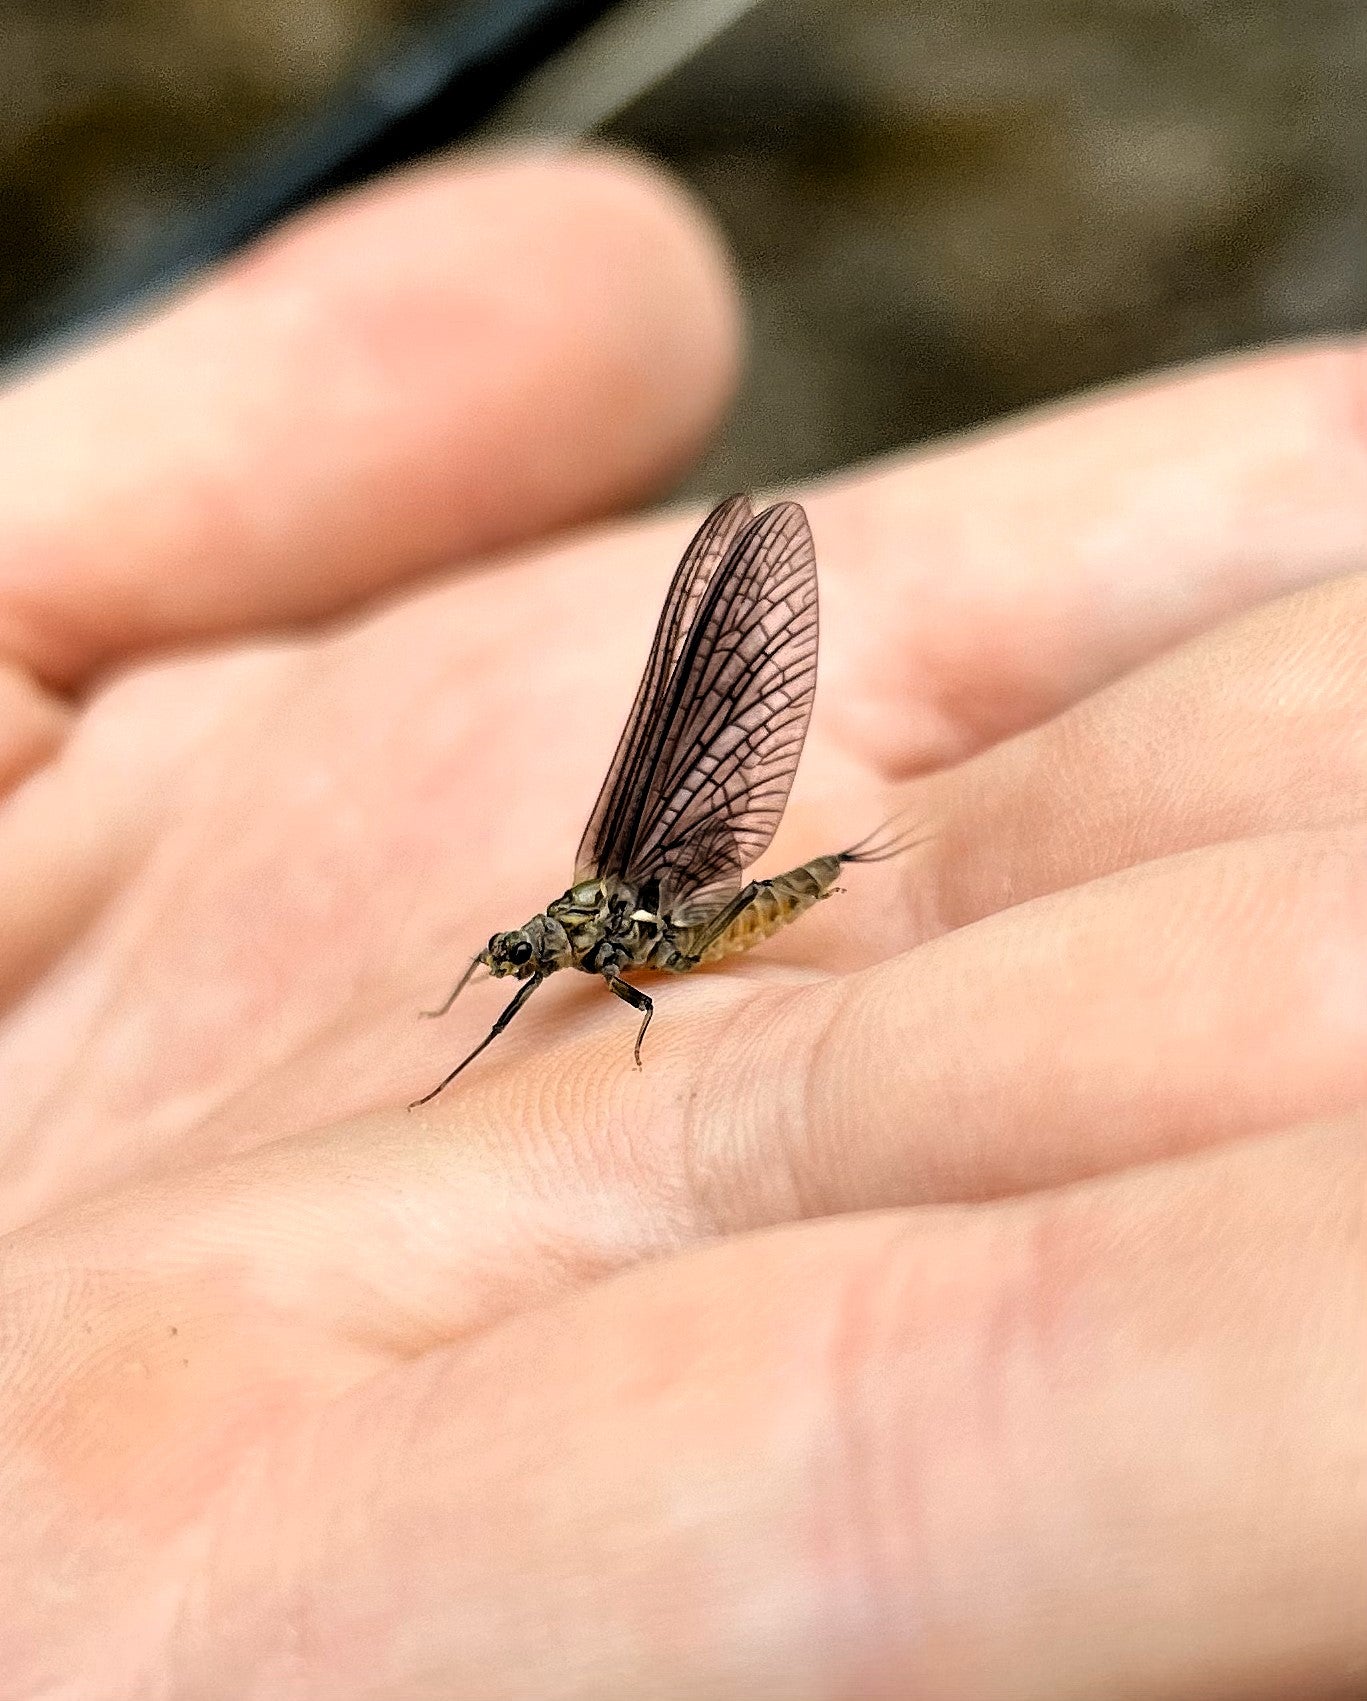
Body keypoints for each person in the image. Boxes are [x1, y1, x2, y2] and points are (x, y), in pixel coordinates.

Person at [0, 147, 1362, 1699]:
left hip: (713, 906)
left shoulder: (618, 923)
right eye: (516, 964)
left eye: (519, 960)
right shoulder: (569, 937)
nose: (513, 967)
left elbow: (643, 968)